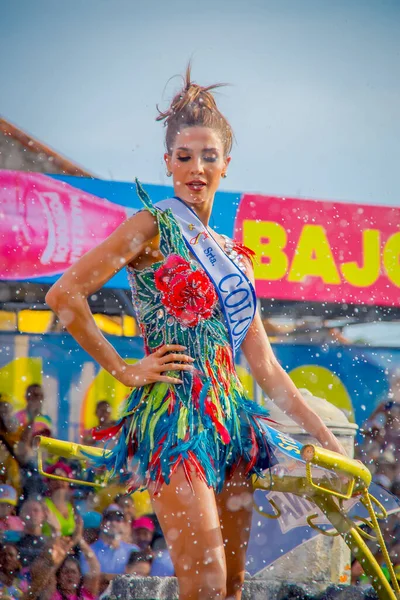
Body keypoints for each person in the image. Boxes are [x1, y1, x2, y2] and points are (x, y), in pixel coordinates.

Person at [45, 64, 346, 600]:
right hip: (175, 420)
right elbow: (63, 294)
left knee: (230, 588)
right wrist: (124, 368)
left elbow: (269, 371)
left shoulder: (236, 259)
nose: (196, 168)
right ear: (167, 163)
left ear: (227, 164)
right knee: (203, 584)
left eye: (209, 156)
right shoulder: (152, 227)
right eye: (184, 157)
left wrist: (328, 445)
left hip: (232, 428)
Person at [80, 506, 139, 589]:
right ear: (102, 523)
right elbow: (88, 580)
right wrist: (120, 577)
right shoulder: (89, 550)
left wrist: (104, 577)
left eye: (118, 520)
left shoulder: (132, 550)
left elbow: (136, 579)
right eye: (109, 519)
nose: (113, 523)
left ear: (123, 524)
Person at [42, 462, 76, 537]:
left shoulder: (71, 505)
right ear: (48, 483)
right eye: (55, 479)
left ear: (68, 483)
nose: (59, 482)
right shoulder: (43, 504)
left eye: (62, 479)